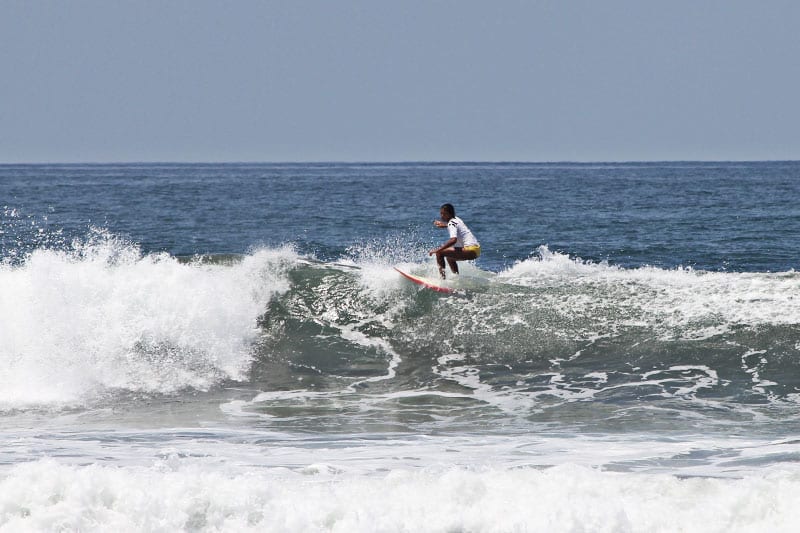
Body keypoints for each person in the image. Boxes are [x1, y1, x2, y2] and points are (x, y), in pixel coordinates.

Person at [429, 203, 481, 279]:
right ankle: (457, 278)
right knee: (450, 258)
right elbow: (455, 225)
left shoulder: (451, 224)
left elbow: (453, 240)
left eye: (444, 214)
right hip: (476, 250)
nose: (442, 216)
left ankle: (442, 279)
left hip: (470, 250)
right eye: (441, 213)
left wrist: (438, 249)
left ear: (449, 214)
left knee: (439, 253)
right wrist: (444, 225)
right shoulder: (457, 219)